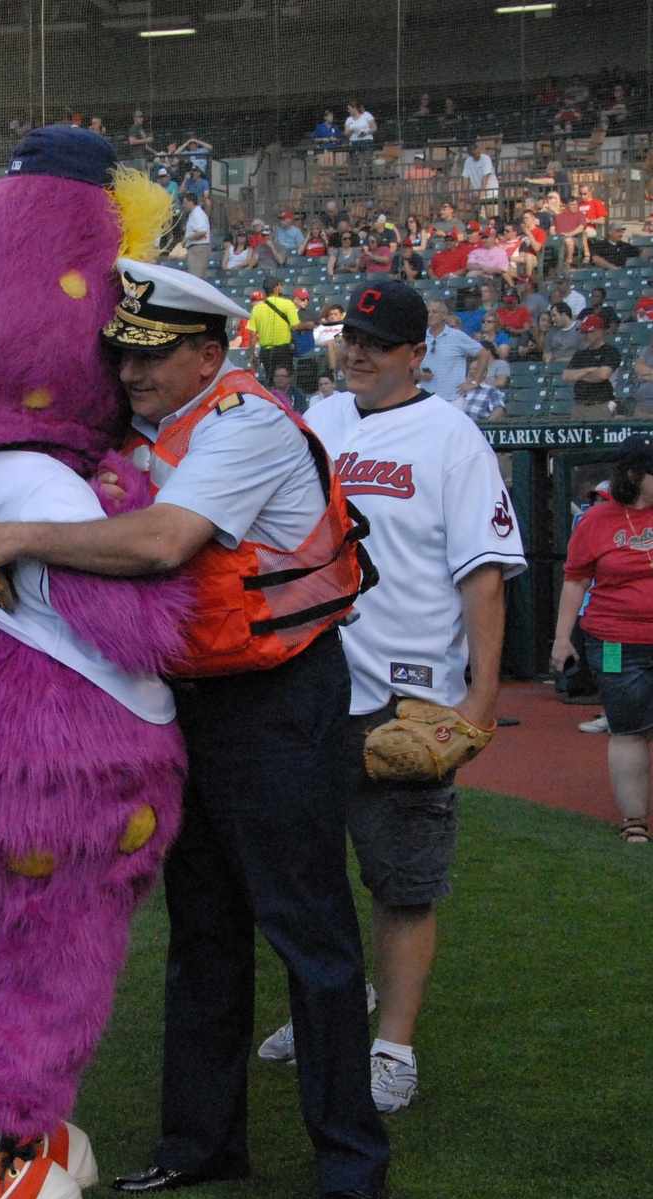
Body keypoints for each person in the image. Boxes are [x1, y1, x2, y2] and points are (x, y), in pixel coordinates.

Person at [0, 260, 391, 1199]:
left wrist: (17, 537)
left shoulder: (250, 425)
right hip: (186, 702)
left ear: (211, 350)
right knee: (200, 933)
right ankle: (200, 1146)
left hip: (277, 704)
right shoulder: (141, 428)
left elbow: (162, 544)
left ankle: (350, 1161)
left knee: (308, 933)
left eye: (152, 355)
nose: (131, 373)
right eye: (122, 354)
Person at [256, 280, 525, 1111]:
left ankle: (393, 1047)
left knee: (404, 879)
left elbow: (482, 575)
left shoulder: (454, 438)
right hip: (306, 684)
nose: (359, 351)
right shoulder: (321, 420)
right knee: (306, 871)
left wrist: (480, 698)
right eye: (352, 336)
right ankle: (331, 1005)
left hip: (406, 702)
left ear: (418, 352)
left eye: (379, 339)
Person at [552, 433, 653, 842]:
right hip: (614, 643)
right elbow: (575, 581)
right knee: (627, 728)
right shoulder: (596, 521)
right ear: (633, 474)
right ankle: (635, 821)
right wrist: (562, 639)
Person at [419, 299, 490, 401]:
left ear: (444, 315)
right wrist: (420, 375)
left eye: (434, 312)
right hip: (427, 398)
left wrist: (474, 382)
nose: (430, 315)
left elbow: (484, 353)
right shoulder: (420, 337)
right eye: (428, 312)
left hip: (453, 398)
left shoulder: (457, 335)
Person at [563, 316, 621, 421]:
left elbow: (603, 375)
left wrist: (579, 375)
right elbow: (567, 376)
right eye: (583, 332)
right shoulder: (580, 354)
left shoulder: (610, 351)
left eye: (588, 332)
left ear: (599, 332)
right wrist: (589, 370)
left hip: (600, 405)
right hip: (579, 406)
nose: (585, 336)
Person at [247, 274, 299, 384]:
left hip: (266, 351)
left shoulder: (257, 309)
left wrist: (251, 353)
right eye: (280, 285)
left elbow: (252, 334)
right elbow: (295, 326)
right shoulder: (287, 304)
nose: (281, 287)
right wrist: (309, 324)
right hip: (283, 350)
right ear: (276, 287)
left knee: (271, 381)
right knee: (286, 380)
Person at [181, 194, 211, 280]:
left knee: (196, 277)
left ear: (191, 202)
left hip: (198, 248)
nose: (184, 205)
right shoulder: (194, 214)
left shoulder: (197, 214)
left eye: (185, 203)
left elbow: (202, 231)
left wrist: (187, 238)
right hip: (196, 248)